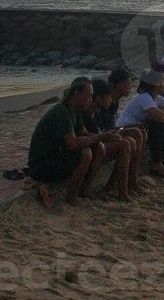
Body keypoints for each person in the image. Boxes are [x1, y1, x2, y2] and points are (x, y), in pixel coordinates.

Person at [27, 77, 125, 205]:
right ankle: (71, 196)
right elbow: (72, 143)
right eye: (88, 96)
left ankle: (85, 191)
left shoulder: (76, 112)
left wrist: (106, 136)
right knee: (85, 153)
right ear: (76, 94)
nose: (90, 100)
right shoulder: (62, 111)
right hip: (42, 166)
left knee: (99, 146)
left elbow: (84, 134)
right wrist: (101, 137)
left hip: (57, 157)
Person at [116, 70, 164, 177]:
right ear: (155, 83)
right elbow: (160, 117)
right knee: (158, 122)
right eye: (163, 81)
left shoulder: (158, 98)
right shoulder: (144, 97)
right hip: (124, 129)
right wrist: (163, 113)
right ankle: (155, 163)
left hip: (139, 127)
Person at [89, 77, 146, 197]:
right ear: (98, 98)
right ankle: (122, 192)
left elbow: (107, 129)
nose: (111, 100)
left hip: (101, 139)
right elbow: (93, 134)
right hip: (95, 145)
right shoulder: (90, 112)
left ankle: (131, 182)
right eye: (108, 97)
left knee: (136, 133)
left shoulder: (101, 109)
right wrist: (109, 135)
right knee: (126, 143)